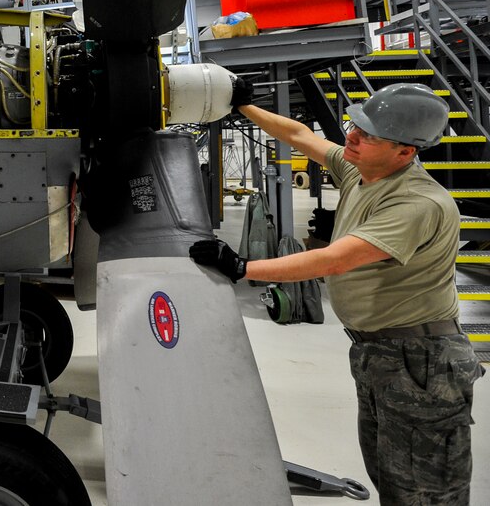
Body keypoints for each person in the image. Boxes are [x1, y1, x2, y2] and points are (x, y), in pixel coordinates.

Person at [190, 81, 483, 505]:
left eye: (369, 135)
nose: (353, 136)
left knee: (424, 489)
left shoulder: (418, 203)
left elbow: (336, 259)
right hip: (379, 353)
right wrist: (243, 105)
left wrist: (242, 267)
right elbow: (299, 136)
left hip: (421, 362)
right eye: (355, 125)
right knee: (390, 474)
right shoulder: (361, 170)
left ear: (405, 151)